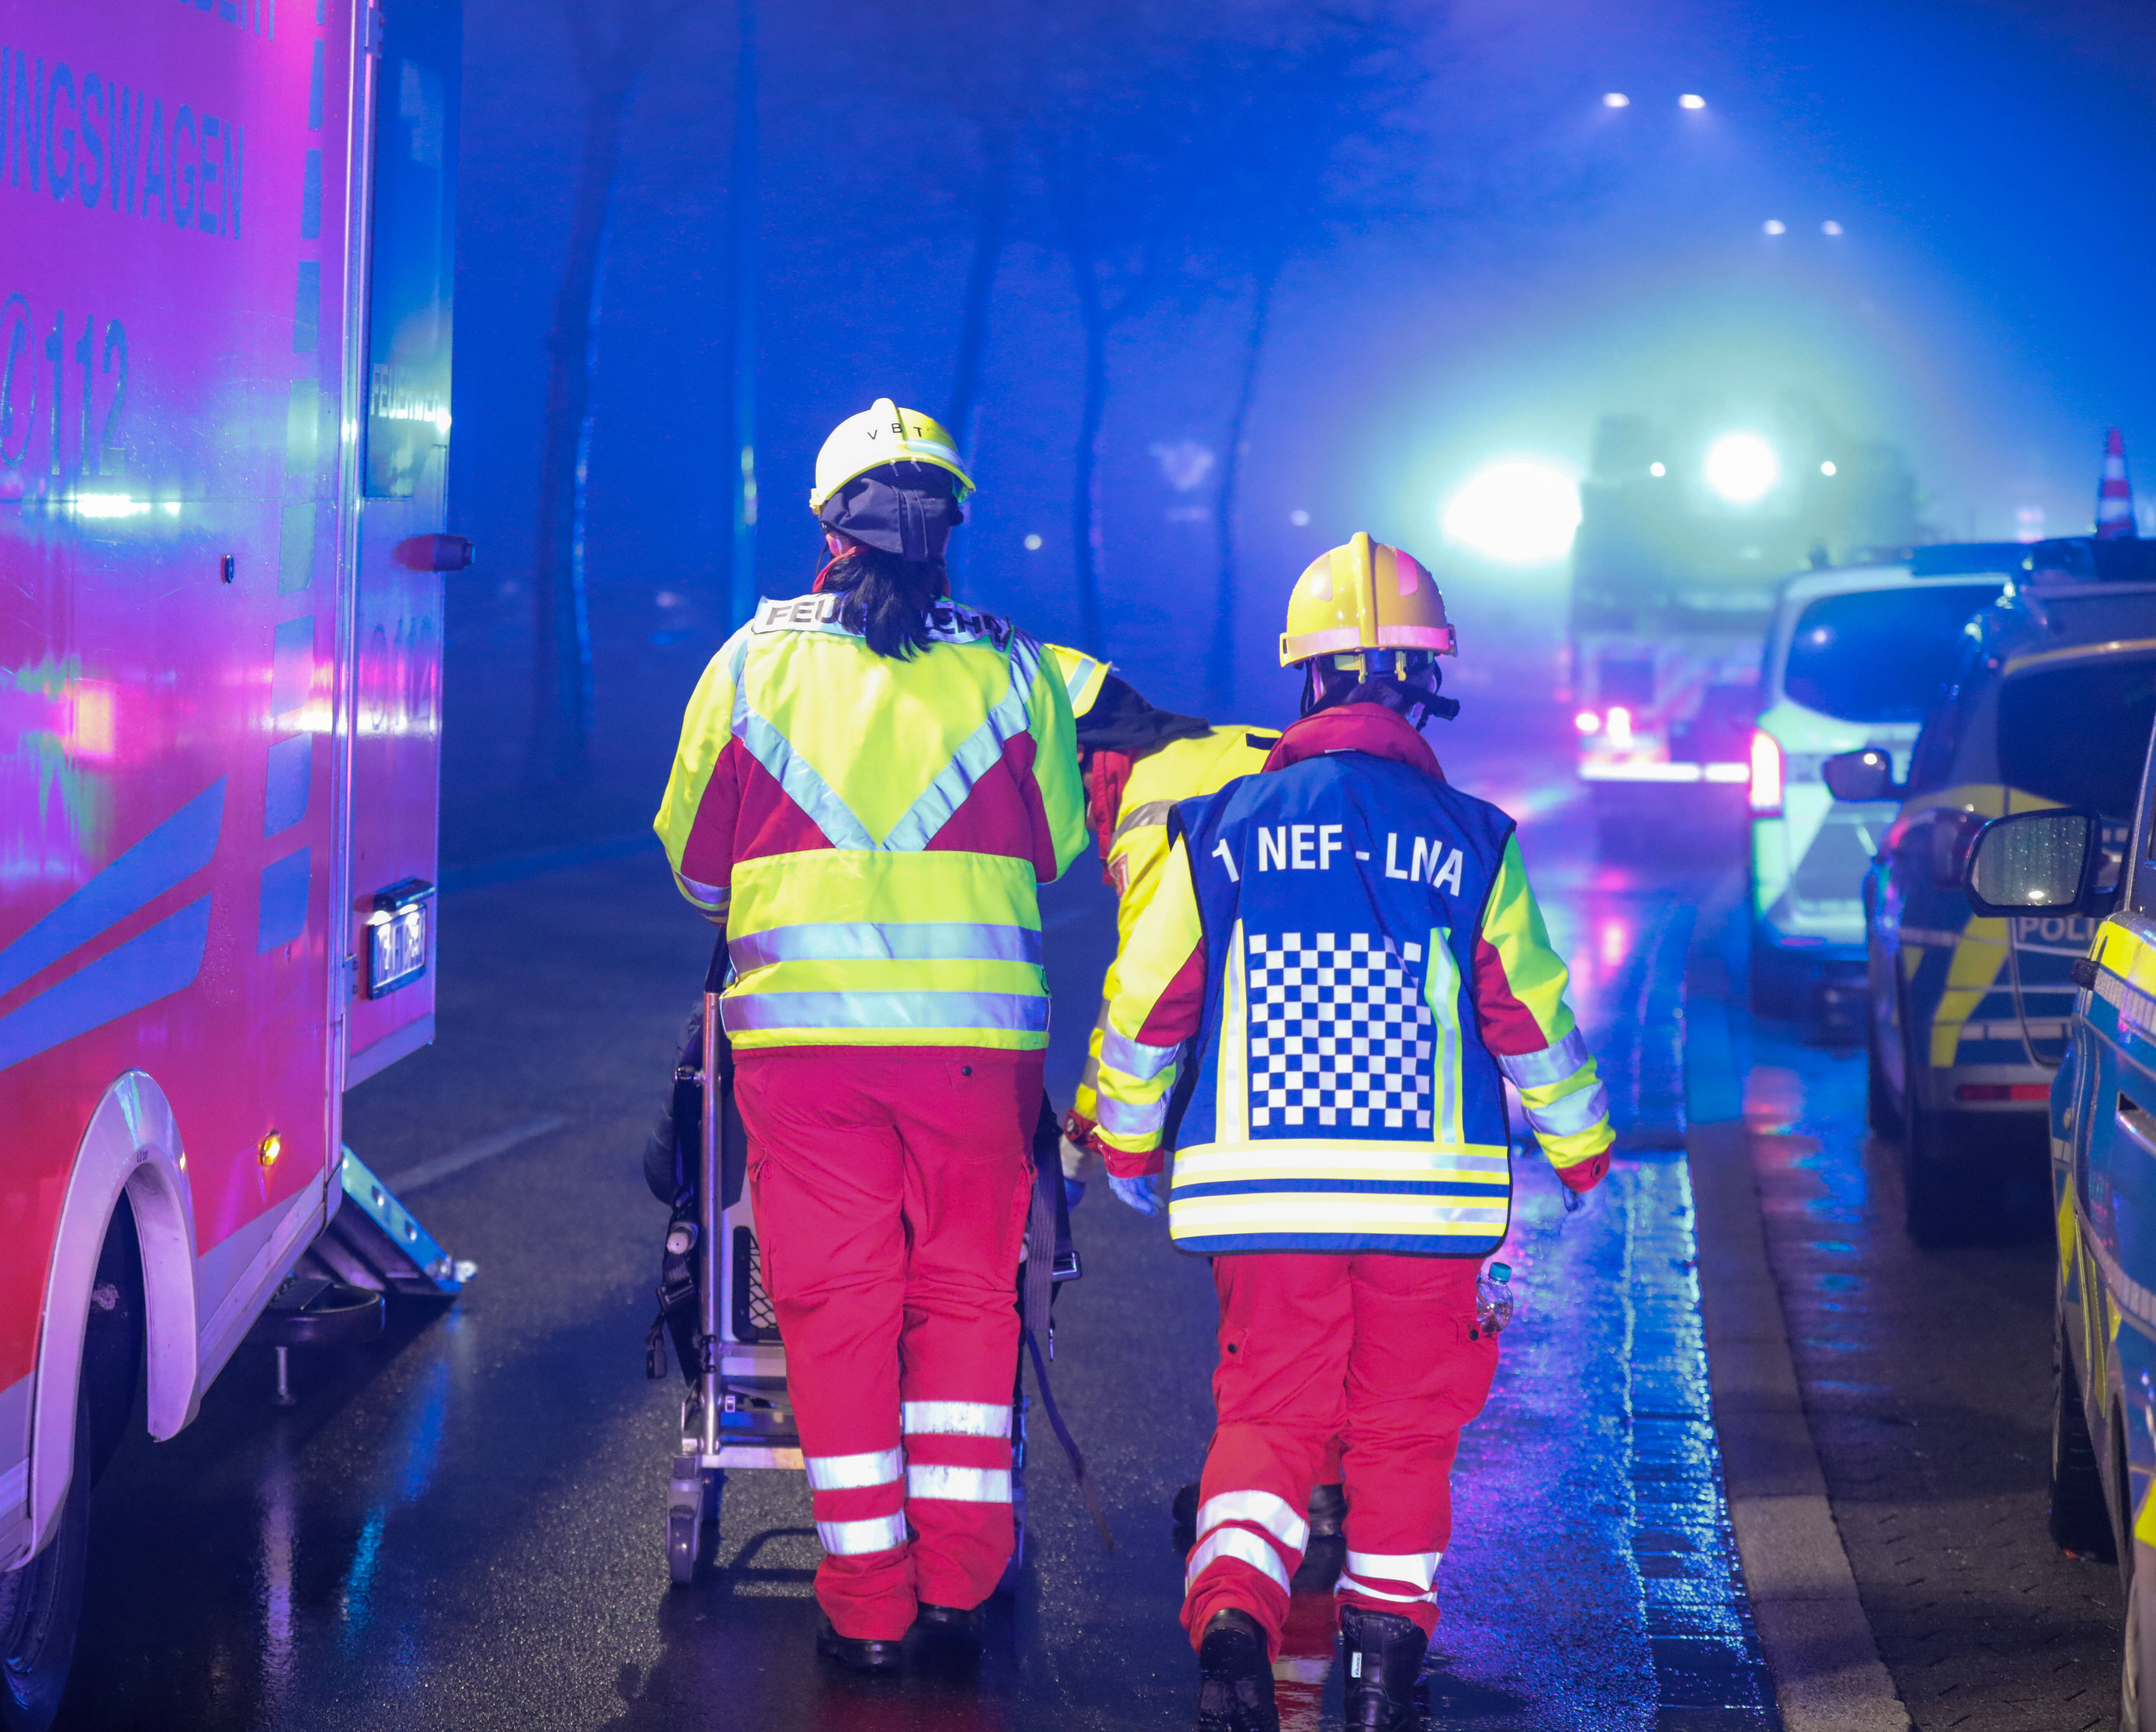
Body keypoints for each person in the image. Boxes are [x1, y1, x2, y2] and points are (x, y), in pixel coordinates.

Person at [1090, 534, 1615, 1732]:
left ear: (1306, 678)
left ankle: (1232, 1618)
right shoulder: (1475, 839)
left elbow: (1148, 1002)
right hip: (1426, 1209)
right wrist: (1580, 1152)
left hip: (1264, 1203)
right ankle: (1384, 1677)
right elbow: (1528, 1016)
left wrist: (1126, 1146)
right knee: (1402, 1434)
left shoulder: (1217, 827)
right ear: (1426, 684)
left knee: (1267, 1419)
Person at [654, 399, 1088, 1673]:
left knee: (837, 1308)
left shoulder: (748, 662)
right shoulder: (1013, 666)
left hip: (805, 1056)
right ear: (955, 524)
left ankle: (869, 1607)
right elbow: (1056, 844)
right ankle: (962, 1579)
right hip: (977, 1057)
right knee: (965, 1299)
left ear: (825, 529)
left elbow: (694, 871)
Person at [1046, 647, 1354, 1590]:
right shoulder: (1222, 750)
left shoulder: (1153, 804)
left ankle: (1272, 1508)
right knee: (1339, 1293)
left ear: (1090, 758)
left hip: (1276, 1072)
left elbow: (1146, 986)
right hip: (1362, 1039)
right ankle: (1326, 1494)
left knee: (1267, 1309)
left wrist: (1093, 1127)